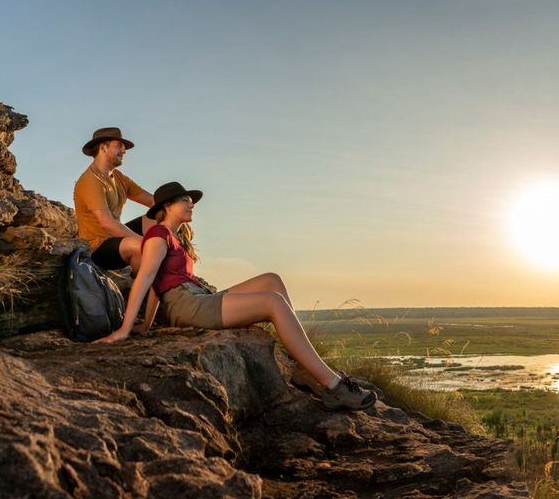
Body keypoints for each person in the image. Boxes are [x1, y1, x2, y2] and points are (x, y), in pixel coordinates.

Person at [93, 182, 376, 411]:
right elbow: (146, 279)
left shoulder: (178, 238)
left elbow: (156, 284)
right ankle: (333, 387)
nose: (191, 204)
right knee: (271, 302)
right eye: (185, 201)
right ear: (167, 207)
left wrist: (148, 325)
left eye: (191, 201)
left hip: (199, 296)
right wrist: (126, 329)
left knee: (271, 280)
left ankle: (303, 362)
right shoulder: (157, 234)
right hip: (187, 304)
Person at [72, 127, 155, 272]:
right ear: (103, 148)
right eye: (119, 146)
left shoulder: (118, 177)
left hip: (115, 238)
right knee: (140, 246)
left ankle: (176, 273)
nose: (124, 151)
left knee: (162, 217)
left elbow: (152, 202)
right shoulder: (90, 181)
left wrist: (173, 208)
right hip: (97, 249)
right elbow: (107, 223)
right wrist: (145, 242)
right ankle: (145, 290)